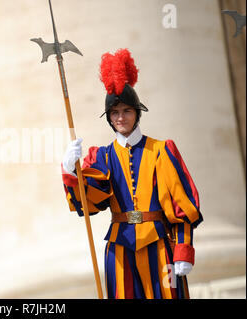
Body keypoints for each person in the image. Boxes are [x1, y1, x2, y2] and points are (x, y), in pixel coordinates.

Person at [61, 48, 203, 299]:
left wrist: (183, 250)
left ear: (137, 112)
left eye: (126, 111)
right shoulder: (103, 156)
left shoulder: (161, 150)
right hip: (119, 248)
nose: (120, 117)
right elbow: (91, 203)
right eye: (115, 113)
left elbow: (183, 207)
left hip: (158, 244)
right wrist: (72, 171)